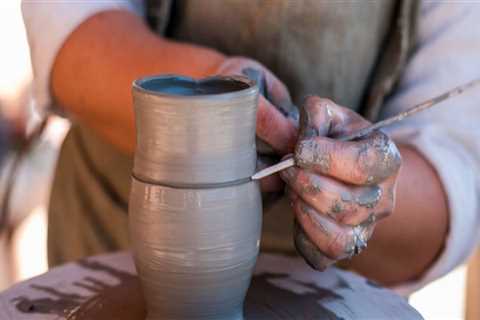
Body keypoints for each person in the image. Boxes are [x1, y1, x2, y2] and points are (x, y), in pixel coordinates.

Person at [22, 0, 480, 295]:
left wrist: (361, 188)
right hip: (111, 241)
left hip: (323, 289)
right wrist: (217, 103)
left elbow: (459, 166)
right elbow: (69, 28)